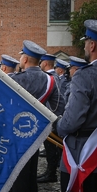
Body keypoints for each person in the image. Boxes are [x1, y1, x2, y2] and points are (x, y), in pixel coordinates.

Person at [6, 40, 65, 192]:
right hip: (36, 132)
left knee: (16, 172)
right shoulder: (51, 80)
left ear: (24, 60)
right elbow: (58, 108)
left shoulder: (15, 79)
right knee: (31, 171)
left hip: (14, 134)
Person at [53, 19, 97, 192]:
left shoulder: (85, 76)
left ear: (92, 45)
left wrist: (59, 126)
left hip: (84, 155)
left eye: (86, 43)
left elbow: (71, 121)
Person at [37, 53, 64, 183]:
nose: (40, 64)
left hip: (51, 117)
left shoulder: (50, 78)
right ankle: (49, 171)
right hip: (51, 116)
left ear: (46, 63)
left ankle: (51, 173)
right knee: (49, 147)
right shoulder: (53, 77)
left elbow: (58, 101)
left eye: (41, 62)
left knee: (51, 148)